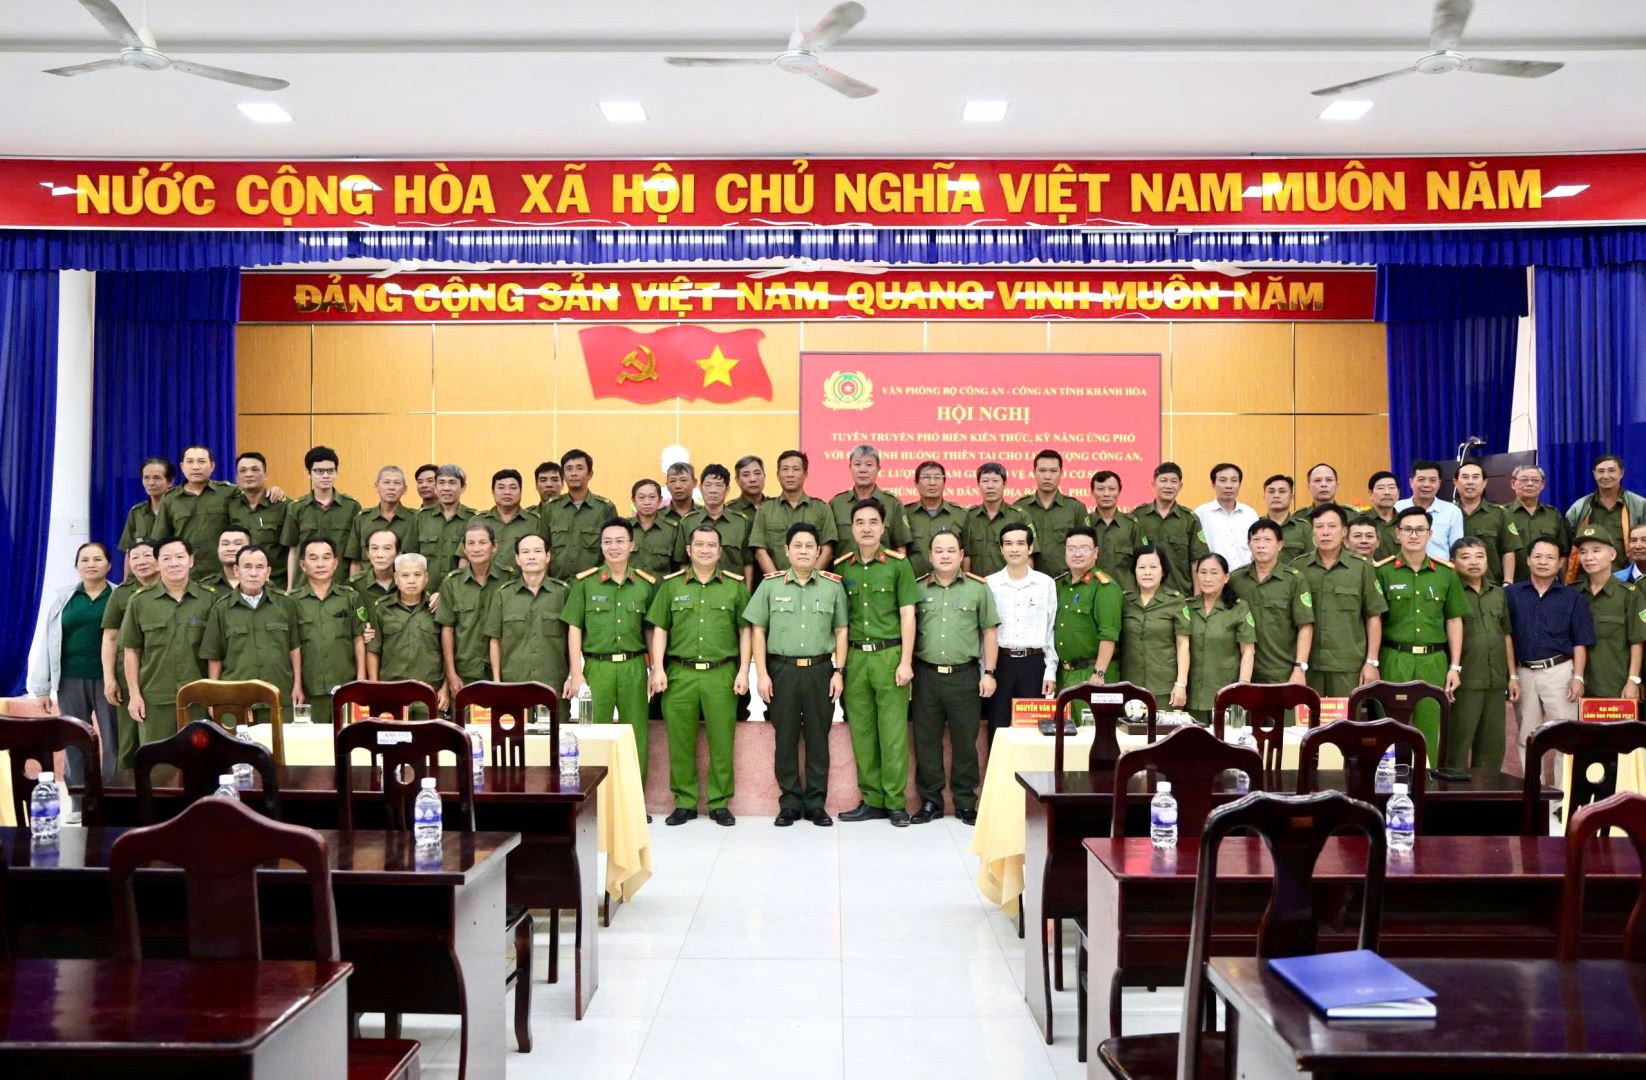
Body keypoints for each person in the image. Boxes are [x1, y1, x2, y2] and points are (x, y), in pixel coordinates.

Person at [744, 523, 848, 827]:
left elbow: (841, 630)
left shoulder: (832, 586)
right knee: (785, 738)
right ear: (787, 551)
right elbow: (758, 630)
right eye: (797, 546)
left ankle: (816, 804)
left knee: (818, 739)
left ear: (819, 552)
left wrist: (839, 671)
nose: (803, 551)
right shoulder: (770, 585)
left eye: (809, 546)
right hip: (782, 671)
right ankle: (789, 803)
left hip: (820, 671)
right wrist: (762, 673)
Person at [648, 524, 750, 827]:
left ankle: (719, 803)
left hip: (721, 674)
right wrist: (658, 668)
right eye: (700, 544)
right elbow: (660, 629)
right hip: (680, 674)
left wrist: (744, 670)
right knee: (680, 743)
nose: (705, 550)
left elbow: (745, 631)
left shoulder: (735, 587)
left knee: (722, 741)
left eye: (711, 545)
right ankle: (685, 802)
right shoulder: (671, 587)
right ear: (689, 550)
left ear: (720, 551)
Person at [834, 500, 918, 826]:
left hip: (889, 656)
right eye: (860, 522)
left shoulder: (898, 565)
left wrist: (906, 661)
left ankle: (895, 802)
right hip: (856, 659)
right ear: (852, 528)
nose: (866, 528)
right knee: (863, 732)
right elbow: (840, 622)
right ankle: (872, 800)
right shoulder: (843, 568)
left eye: (873, 522)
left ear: (883, 527)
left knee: (893, 733)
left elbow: (908, 615)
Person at [910, 529, 998, 826]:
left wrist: (989, 673)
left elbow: (989, 632)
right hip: (926, 676)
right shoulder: (917, 588)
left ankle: (965, 802)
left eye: (951, 551)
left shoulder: (978, 589)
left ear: (961, 555)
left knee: (965, 742)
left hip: (965, 676)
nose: (945, 556)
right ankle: (930, 801)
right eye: (939, 551)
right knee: (926, 741)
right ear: (930, 555)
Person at [563, 519, 656, 778]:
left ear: (631, 545)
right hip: (596, 668)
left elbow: (651, 630)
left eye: (620, 541)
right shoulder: (585, 583)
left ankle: (635, 796)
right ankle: (594, 794)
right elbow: (574, 628)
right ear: (601, 546)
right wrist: (576, 673)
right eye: (608, 542)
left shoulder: (645, 584)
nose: (614, 547)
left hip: (634, 667)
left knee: (635, 734)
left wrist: (655, 669)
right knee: (592, 732)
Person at [1374, 507, 1468, 763]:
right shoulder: (1382, 572)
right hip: (1394, 658)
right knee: (1389, 729)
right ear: (1397, 534)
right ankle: (1389, 783)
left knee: (1430, 731)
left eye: (1420, 530)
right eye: (1407, 529)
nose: (1413, 535)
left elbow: (1454, 620)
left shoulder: (1446, 573)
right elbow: (1374, 619)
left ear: (1430, 534)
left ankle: (1428, 784)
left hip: (1433, 661)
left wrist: (1455, 666)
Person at [29, 542, 118, 795]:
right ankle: (79, 801)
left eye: (97, 559)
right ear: (77, 566)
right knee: (74, 740)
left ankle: (111, 799)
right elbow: (48, 641)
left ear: (109, 565)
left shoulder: (119, 596)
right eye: (85, 560)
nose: (91, 564)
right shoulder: (64, 599)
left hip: (110, 680)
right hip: (69, 679)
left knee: (114, 741)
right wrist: (42, 688)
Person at [1505, 537, 1595, 786]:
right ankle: (1534, 794)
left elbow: (1580, 640)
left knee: (1566, 736)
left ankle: (1562, 798)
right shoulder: (1512, 595)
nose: (1543, 562)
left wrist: (1578, 677)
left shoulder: (1572, 597)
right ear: (1528, 560)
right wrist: (1512, 675)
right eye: (1538, 556)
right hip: (1524, 672)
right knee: (1527, 737)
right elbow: (1506, 637)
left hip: (1560, 671)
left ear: (1559, 564)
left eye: (1550, 557)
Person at [119, 537, 217, 744]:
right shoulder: (139, 602)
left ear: (191, 560)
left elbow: (216, 652)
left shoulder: (209, 599)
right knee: (158, 760)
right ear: (157, 563)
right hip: (155, 700)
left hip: (198, 698)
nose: (174, 563)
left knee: (199, 758)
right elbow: (131, 651)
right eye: (166, 558)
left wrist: (214, 694)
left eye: (180, 557)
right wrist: (134, 696)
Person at [1293, 504, 1387, 699]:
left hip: (1348, 665)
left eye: (1332, 526)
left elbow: (1373, 615)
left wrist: (1372, 661)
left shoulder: (1360, 568)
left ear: (1344, 531)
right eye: (1319, 527)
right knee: (1305, 717)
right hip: (1307, 665)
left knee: (1347, 718)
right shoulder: (1298, 567)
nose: (1325, 532)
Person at [200, 545, 302, 723]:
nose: (253, 573)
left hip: (278, 696)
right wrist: (214, 695)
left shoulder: (286, 605)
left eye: (259, 567)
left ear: (268, 572)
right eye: (247, 567)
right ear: (237, 570)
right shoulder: (221, 609)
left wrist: (297, 685)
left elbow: (294, 648)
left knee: (279, 741)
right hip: (236, 700)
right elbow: (214, 657)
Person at [484, 534, 571, 719]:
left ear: (548, 556)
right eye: (525, 552)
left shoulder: (563, 593)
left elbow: (573, 639)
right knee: (515, 735)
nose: (531, 556)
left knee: (555, 736)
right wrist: (497, 682)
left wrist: (572, 676)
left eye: (537, 551)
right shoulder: (503, 595)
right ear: (517, 559)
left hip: (554, 687)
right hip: (513, 687)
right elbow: (495, 640)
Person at [1450, 537, 1517, 773]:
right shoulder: (1450, 591)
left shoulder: (1498, 593)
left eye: (1480, 556)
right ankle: (1452, 791)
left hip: (1496, 680)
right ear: (1453, 561)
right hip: (1465, 681)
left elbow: (1506, 634)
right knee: (1457, 744)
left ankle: (1488, 792)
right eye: (1465, 557)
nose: (1474, 562)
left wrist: (1512, 676)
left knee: (1492, 747)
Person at [984, 522, 1058, 733]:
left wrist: (1050, 671)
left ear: (1030, 548)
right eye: (1008, 544)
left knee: (1033, 731)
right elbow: (985, 632)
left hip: (1033, 664)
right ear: (1001, 549)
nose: (1014, 549)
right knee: (998, 728)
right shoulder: (989, 584)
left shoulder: (1045, 584)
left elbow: (1050, 629)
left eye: (1020, 543)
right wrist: (986, 671)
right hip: (1000, 663)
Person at [288, 536, 366, 730]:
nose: (320, 564)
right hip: (309, 687)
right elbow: (292, 645)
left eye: (326, 557)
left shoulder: (351, 597)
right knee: (312, 742)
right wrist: (297, 684)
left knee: (348, 739)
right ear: (303, 565)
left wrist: (361, 679)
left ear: (335, 563)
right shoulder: (291, 601)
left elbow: (359, 639)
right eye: (313, 558)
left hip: (346, 684)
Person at [1229, 519, 1314, 687]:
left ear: (1280, 545)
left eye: (1267, 540)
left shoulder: (1294, 580)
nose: (1261, 545)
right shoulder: (1236, 578)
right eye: (1256, 540)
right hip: (1242, 671)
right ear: (1249, 544)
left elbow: (1305, 626)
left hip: (1281, 671)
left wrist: (1299, 668)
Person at [435, 521, 512, 701]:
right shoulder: (452, 583)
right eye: (471, 543)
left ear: (494, 546)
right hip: (465, 672)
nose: (476, 548)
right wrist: (451, 674)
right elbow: (447, 630)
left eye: (482, 542)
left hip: (505, 671)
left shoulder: (509, 578)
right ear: (464, 548)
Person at [101, 539, 159, 770]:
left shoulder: (174, 590)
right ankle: (129, 789)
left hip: (161, 674)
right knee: (129, 742)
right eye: (134, 557)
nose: (141, 561)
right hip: (127, 678)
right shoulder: (121, 594)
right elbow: (109, 637)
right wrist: (109, 678)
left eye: (147, 555)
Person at [1053, 527, 1123, 717]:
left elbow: (1108, 635)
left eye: (1084, 548)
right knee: (1064, 731)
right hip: (1063, 675)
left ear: (1096, 552)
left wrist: (1099, 673)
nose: (1077, 554)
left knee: (1091, 731)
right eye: (1071, 548)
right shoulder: (1059, 585)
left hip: (1092, 674)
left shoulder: (1104, 587)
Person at [365, 553, 446, 715]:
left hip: (430, 691)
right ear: (396, 578)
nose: (411, 580)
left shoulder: (438, 608)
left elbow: (448, 652)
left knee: (429, 731)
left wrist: (445, 689)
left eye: (417, 575)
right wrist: (375, 688)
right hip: (391, 691)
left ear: (426, 578)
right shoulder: (382, 608)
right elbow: (374, 650)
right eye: (405, 575)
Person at [1182, 553, 1256, 724]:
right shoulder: (1187, 607)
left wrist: (1242, 686)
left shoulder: (1238, 608)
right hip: (1193, 693)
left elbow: (1248, 651)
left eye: (1214, 572)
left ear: (1226, 577)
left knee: (1227, 739)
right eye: (1203, 572)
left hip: (1226, 692)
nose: (1207, 578)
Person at [1573, 526, 1645, 701]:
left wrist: (1633, 680)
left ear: (1612, 554)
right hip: (1576, 688)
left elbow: (1637, 641)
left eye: (1596, 550)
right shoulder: (1572, 593)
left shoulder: (1630, 594)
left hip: (1616, 686)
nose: (1589, 557)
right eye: (1583, 552)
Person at [151, 445, 239, 581]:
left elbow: (253, 499)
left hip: (221, 575)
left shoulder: (228, 493)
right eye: (190, 462)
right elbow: (160, 540)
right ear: (182, 466)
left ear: (212, 466)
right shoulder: (170, 499)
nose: (196, 467)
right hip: (185, 575)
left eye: (201, 462)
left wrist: (271, 492)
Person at [280, 446, 361, 588]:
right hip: (304, 587)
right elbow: (293, 550)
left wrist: (352, 588)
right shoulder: (296, 508)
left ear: (336, 472)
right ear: (309, 473)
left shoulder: (352, 507)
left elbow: (355, 554)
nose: (325, 476)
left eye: (330, 471)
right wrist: (290, 587)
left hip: (340, 585)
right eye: (319, 471)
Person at [1118, 546, 1190, 706]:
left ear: (1163, 571)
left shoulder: (1175, 601)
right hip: (1129, 683)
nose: (1147, 572)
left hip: (1164, 686)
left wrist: (1181, 684)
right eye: (1141, 567)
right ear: (1134, 571)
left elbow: (1183, 644)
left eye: (1153, 567)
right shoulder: (1124, 600)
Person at [750, 449, 837, 574]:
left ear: (805, 474)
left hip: (813, 582)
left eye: (796, 469)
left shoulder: (822, 509)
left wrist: (808, 579)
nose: (790, 474)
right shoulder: (765, 510)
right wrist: (777, 581)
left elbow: (827, 551)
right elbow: (760, 552)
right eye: (785, 469)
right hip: (775, 582)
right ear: (778, 475)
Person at [538, 449, 618, 581]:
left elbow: (613, 550)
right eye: (569, 469)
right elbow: (542, 549)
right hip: (557, 584)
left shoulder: (605, 508)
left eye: (579, 468)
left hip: (594, 584)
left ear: (590, 474)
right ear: (563, 475)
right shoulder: (551, 508)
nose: (573, 473)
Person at [674, 464, 756, 589]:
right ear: (701, 488)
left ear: (727, 490)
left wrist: (747, 592)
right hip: (697, 590)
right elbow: (683, 562)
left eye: (718, 485)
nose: (713, 490)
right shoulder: (688, 522)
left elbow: (748, 563)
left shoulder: (741, 522)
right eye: (708, 485)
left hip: (732, 591)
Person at [1132, 461, 1208, 595]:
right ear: (1153, 484)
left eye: (1174, 481)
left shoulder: (1189, 519)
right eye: (1163, 481)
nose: (1168, 486)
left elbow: (1197, 562)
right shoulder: (1137, 516)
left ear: (1180, 486)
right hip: (1144, 596)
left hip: (1180, 596)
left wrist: (1197, 599)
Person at [1564, 454, 1646, 573]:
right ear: (1594, 474)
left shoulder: (1640, 505)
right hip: (1588, 577)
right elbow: (1568, 548)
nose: (1606, 476)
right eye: (1601, 471)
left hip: (1629, 578)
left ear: (1621, 473)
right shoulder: (1579, 508)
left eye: (1611, 470)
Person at [1014, 449, 1087, 578]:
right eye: (1042, 471)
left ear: (1061, 473)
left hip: (1066, 581)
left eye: (1053, 471)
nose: (1047, 476)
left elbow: (1085, 549)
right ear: (1034, 472)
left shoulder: (1075, 508)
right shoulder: (1019, 508)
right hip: (1029, 581)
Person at [829, 444, 912, 555]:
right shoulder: (837, 503)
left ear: (878, 468)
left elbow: (901, 549)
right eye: (857, 464)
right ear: (850, 467)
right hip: (844, 566)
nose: (863, 470)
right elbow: (828, 547)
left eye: (869, 465)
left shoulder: (892, 503)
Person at [227, 451, 290, 591]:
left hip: (276, 584)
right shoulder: (230, 506)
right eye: (243, 471)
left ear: (266, 475)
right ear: (236, 478)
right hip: (240, 584)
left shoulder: (283, 506)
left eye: (255, 469)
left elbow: (293, 548)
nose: (249, 474)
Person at [1453, 460, 1523, 583]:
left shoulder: (1501, 513)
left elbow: (1508, 550)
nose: (1470, 482)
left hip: (1490, 585)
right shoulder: (1447, 512)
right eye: (1465, 477)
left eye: (1475, 477)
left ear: (1484, 483)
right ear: (1456, 482)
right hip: (1453, 584)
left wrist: (1508, 582)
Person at [903, 460, 968, 580]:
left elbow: (966, 555)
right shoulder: (905, 514)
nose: (932, 483)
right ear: (916, 483)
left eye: (937, 477)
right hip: (914, 583)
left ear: (944, 482)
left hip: (951, 585)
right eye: (926, 477)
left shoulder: (961, 514)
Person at [345, 465, 415, 576]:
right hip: (367, 584)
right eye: (386, 482)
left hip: (403, 584)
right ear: (376, 486)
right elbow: (356, 562)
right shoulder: (362, 520)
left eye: (397, 483)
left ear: (405, 489)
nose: (391, 487)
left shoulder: (415, 519)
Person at [1508, 464, 1571, 582]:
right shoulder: (1502, 514)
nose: (1530, 484)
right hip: (1512, 584)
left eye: (1535, 480)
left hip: (1548, 584)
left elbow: (1563, 553)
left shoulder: (1553, 515)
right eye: (1524, 480)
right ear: (1513, 483)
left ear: (1542, 485)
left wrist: (1564, 584)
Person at [965, 462, 1026, 579]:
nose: (990, 486)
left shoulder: (1019, 516)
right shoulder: (968, 516)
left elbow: (1028, 556)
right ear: (978, 484)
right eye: (985, 481)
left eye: (995, 481)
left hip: (1009, 584)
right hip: (977, 584)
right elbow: (965, 556)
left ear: (1004, 484)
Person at [1395, 460, 1465, 562]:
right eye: (1421, 479)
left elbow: (1457, 550)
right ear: (1411, 482)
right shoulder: (1397, 508)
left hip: (1440, 569)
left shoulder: (1452, 511)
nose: (1426, 484)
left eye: (1432, 480)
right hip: (1402, 568)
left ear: (1439, 484)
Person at [416, 464, 477, 580]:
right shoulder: (420, 518)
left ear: (463, 487)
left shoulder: (473, 519)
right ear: (435, 487)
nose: (446, 488)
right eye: (441, 482)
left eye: (452, 483)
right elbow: (410, 556)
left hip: (459, 588)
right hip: (426, 589)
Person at [1194, 463, 1258, 570]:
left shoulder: (1250, 514)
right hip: (1213, 576)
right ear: (1213, 484)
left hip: (1246, 575)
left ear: (1239, 484)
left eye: (1234, 480)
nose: (1229, 485)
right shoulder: (1201, 514)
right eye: (1223, 480)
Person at [477, 469, 539, 576]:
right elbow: (465, 557)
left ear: (521, 491)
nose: (507, 492)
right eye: (501, 487)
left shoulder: (535, 522)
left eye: (513, 488)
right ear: (493, 491)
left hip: (522, 584)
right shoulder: (478, 521)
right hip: (485, 583)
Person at [118, 456, 173, 572]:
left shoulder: (179, 511)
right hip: (142, 577)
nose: (151, 483)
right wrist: (127, 582)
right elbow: (129, 552)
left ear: (170, 481)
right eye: (146, 478)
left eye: (157, 478)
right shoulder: (137, 512)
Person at [1087, 470, 1140, 591]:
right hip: (1091, 593)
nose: (1106, 494)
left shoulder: (1132, 525)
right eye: (1100, 489)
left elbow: (1143, 562)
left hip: (1125, 595)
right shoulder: (1085, 523)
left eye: (1112, 489)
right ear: (1092, 492)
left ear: (1119, 491)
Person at [629, 478, 682, 577]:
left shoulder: (673, 529)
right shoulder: (623, 528)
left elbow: (680, 566)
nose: (647, 502)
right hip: (631, 586)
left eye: (652, 497)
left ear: (660, 500)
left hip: (662, 586)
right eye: (641, 497)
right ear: (633, 500)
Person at [1260, 474, 1313, 560]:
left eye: (1282, 491)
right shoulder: (1256, 527)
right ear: (1264, 497)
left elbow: (1312, 560)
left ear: (1291, 497)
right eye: (1271, 491)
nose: (1276, 495)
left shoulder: (1304, 528)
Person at [349, 527, 400, 604]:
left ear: (398, 553)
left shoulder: (407, 582)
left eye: (387, 548)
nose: (380, 555)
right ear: (367, 553)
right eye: (375, 548)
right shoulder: (356, 584)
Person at [199, 525, 251, 596]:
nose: (231, 549)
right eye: (225, 544)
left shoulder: (263, 585)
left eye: (238, 544)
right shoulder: (203, 587)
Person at [1365, 470, 1402, 559]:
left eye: (1391, 487)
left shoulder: (1405, 521)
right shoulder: (1360, 521)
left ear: (1398, 493)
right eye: (1381, 488)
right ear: (1370, 494)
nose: (1387, 492)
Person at [727, 455, 766, 519]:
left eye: (757, 473)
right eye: (746, 475)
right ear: (737, 480)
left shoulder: (776, 507)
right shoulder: (728, 510)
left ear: (764, 477)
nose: (753, 479)